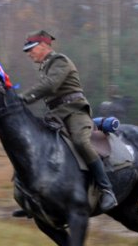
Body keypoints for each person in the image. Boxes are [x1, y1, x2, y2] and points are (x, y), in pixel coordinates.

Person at [19, 30, 117, 213]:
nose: (29, 53)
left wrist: (23, 98)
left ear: (43, 46)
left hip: (74, 112)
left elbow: (50, 86)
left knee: (80, 141)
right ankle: (36, 199)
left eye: (31, 49)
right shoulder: (46, 66)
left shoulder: (59, 61)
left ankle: (106, 190)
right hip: (56, 115)